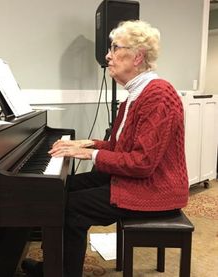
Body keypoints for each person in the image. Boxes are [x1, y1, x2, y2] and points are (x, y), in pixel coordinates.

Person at [22, 20, 189, 277]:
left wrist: (90, 154)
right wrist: (88, 143)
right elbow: (122, 147)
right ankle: (53, 265)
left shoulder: (158, 95)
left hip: (156, 188)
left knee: (71, 208)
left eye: (115, 48)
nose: (107, 55)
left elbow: (142, 163)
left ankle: (59, 271)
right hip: (138, 179)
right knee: (61, 188)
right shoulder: (136, 93)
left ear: (137, 57)